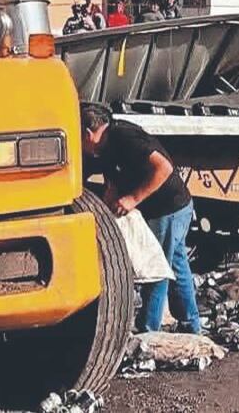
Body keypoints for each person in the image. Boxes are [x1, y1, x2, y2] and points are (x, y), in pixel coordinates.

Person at [80, 104, 200, 333]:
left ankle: (148, 330)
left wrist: (133, 199)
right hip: (167, 207)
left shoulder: (125, 137)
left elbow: (163, 168)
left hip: (169, 207)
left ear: (88, 134)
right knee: (176, 265)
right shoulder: (104, 147)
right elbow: (112, 184)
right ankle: (191, 326)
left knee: (155, 269)